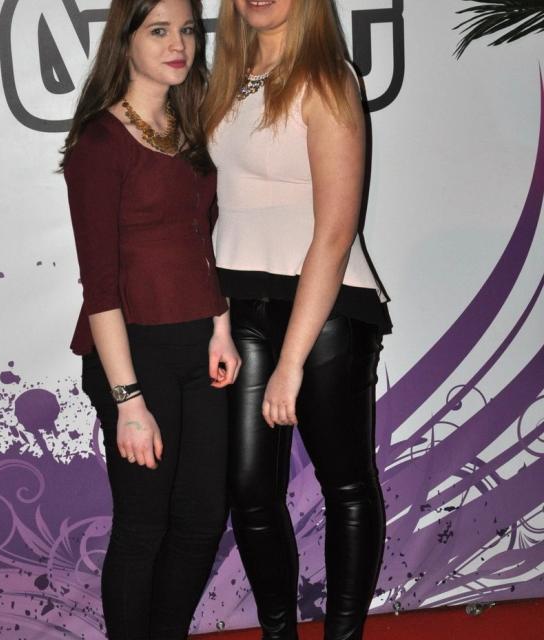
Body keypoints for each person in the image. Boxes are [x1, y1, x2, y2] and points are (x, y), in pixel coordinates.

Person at [203, 1, 392, 639]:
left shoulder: (328, 78)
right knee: (248, 490)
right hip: (239, 306)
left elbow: (335, 234)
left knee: (345, 485)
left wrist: (290, 364)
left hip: (326, 311)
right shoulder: (223, 80)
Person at [60, 1, 241, 638]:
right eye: (159, 31)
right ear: (126, 41)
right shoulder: (100, 143)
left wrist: (220, 326)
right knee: (144, 527)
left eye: (187, 30)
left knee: (202, 519)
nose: (178, 44)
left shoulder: (190, 129)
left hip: (200, 344)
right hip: (132, 354)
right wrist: (128, 400)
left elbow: (202, 241)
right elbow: (99, 285)